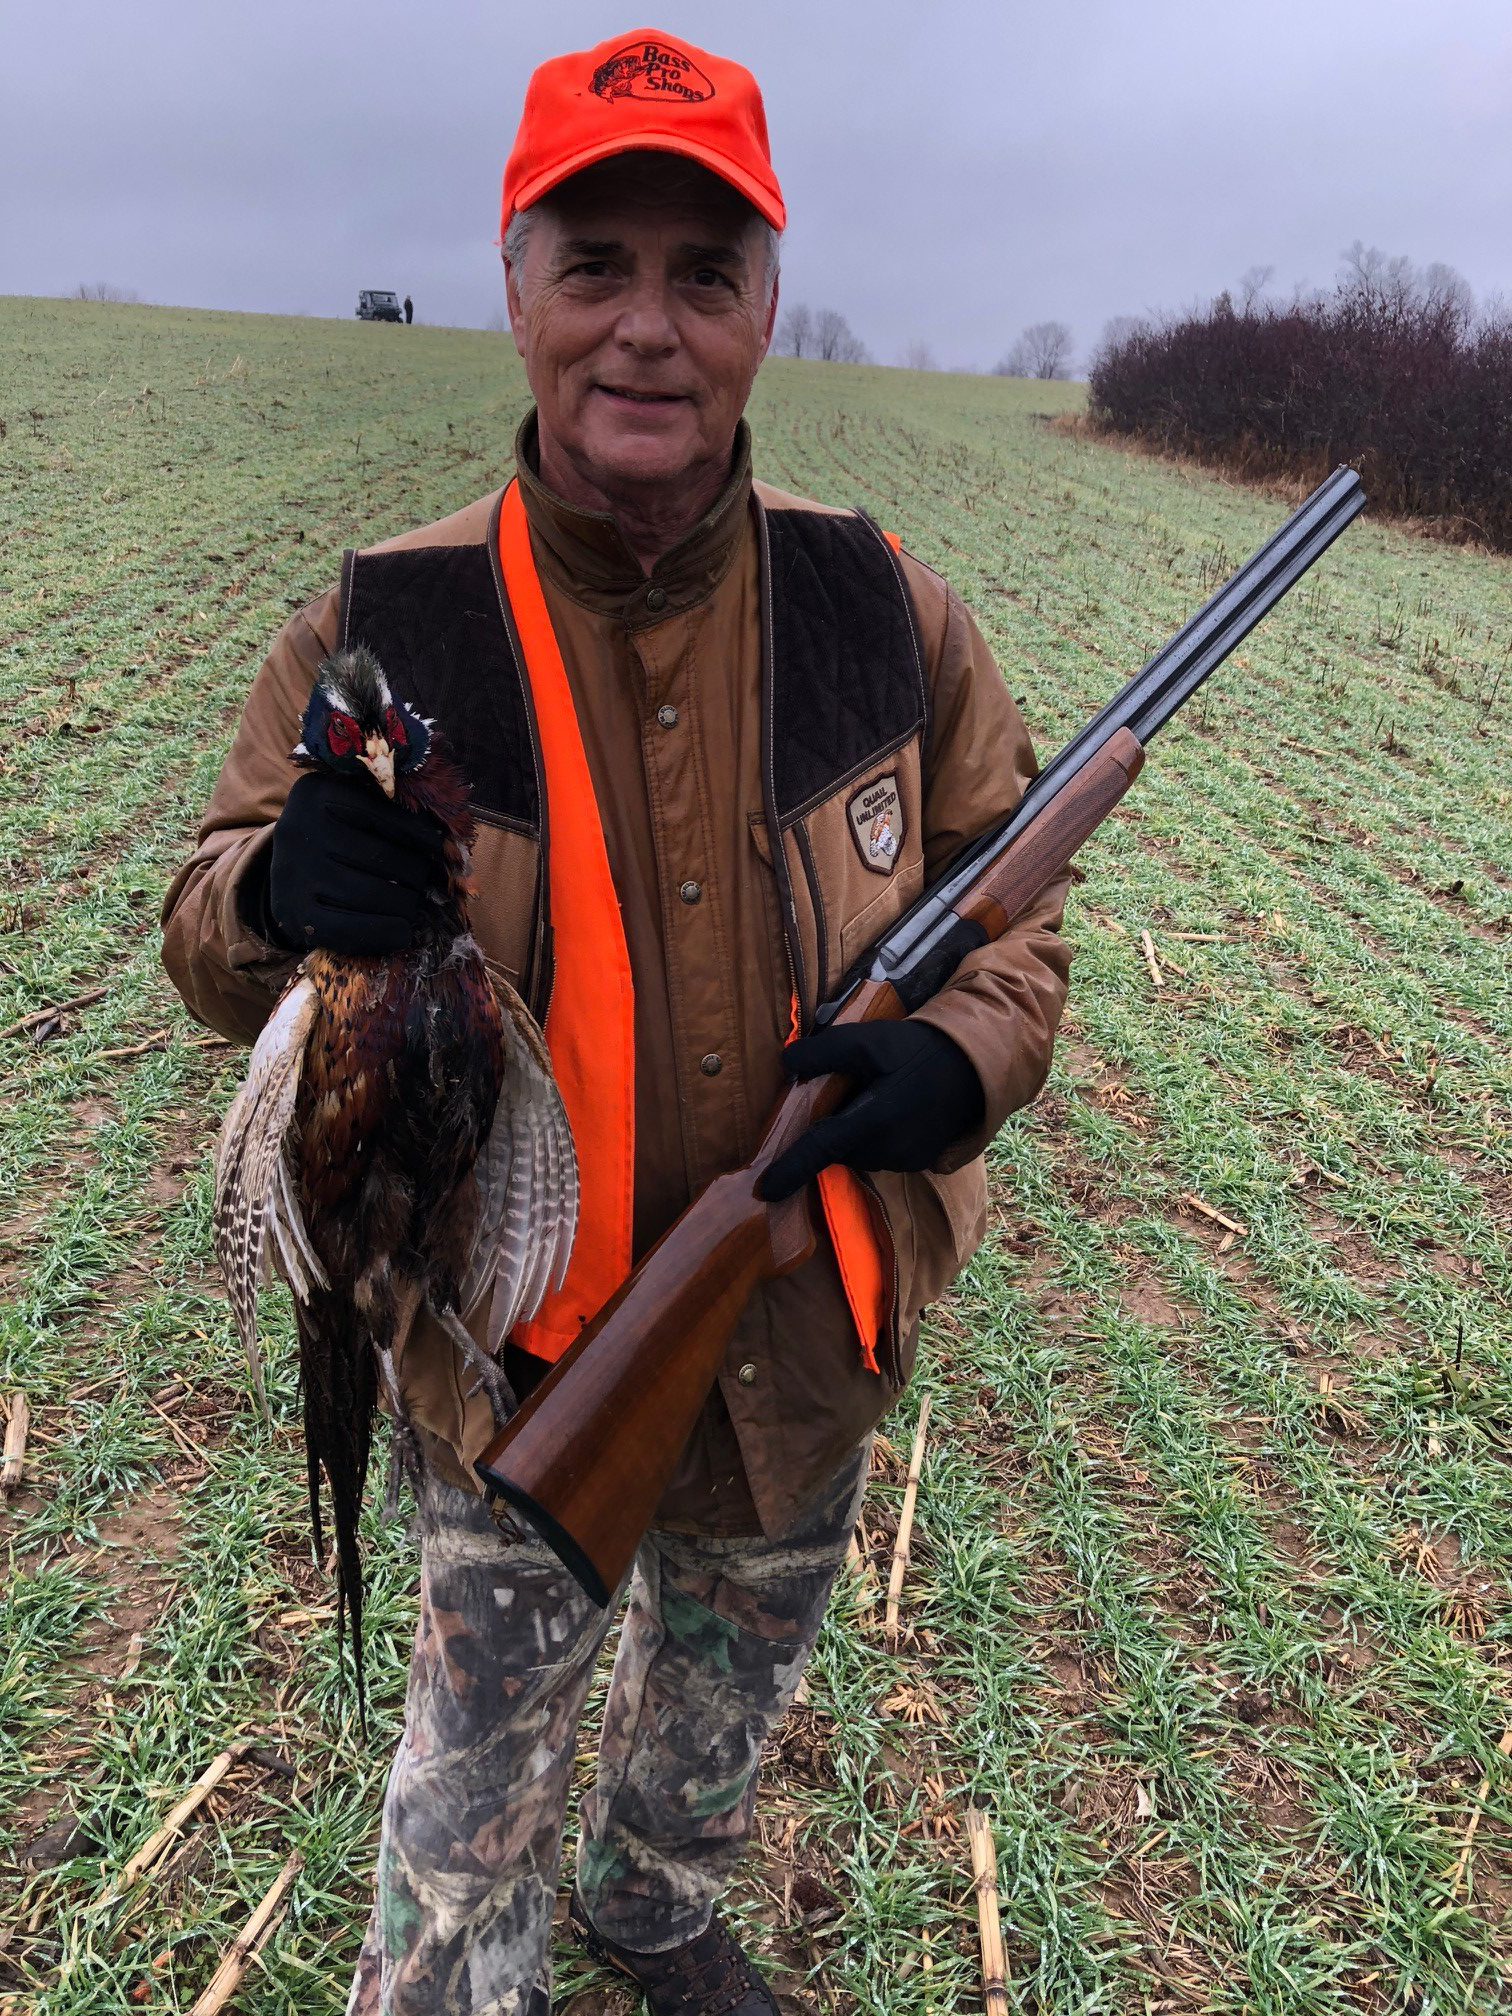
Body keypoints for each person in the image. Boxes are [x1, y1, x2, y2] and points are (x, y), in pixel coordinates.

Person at [161, 27, 1071, 2015]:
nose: (648, 330)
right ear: (514, 288)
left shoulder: (885, 610)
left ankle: (653, 1901)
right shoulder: (378, 633)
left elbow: (1015, 907)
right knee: (463, 1817)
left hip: (805, 1331)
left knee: (718, 1711)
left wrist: (961, 1059)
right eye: (596, 266)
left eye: (704, 272)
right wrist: (271, 896)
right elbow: (208, 922)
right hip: (510, 1378)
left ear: (764, 302)